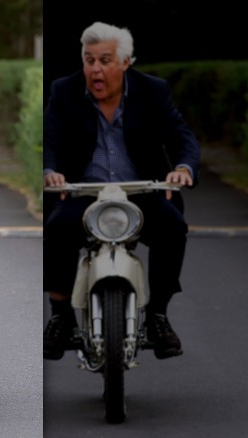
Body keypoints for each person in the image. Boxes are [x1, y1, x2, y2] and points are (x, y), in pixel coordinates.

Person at [42, 21, 200, 361]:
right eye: (89, 60)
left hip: (142, 191)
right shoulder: (64, 90)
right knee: (57, 229)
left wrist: (183, 168)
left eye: (105, 60)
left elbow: (180, 135)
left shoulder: (153, 90)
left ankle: (158, 315)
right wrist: (50, 171)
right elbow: (50, 139)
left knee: (173, 227)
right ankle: (60, 317)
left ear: (126, 63)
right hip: (82, 192)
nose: (95, 69)